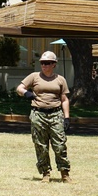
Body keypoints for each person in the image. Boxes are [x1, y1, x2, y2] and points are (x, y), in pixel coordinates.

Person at [16, 50, 71, 183]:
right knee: (41, 145)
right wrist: (26, 93)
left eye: (47, 63)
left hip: (55, 114)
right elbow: (19, 88)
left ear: (54, 64)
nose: (44, 65)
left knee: (60, 145)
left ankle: (65, 173)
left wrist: (67, 117)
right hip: (38, 114)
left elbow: (64, 99)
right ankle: (45, 173)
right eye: (42, 63)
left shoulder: (60, 79)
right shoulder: (34, 76)